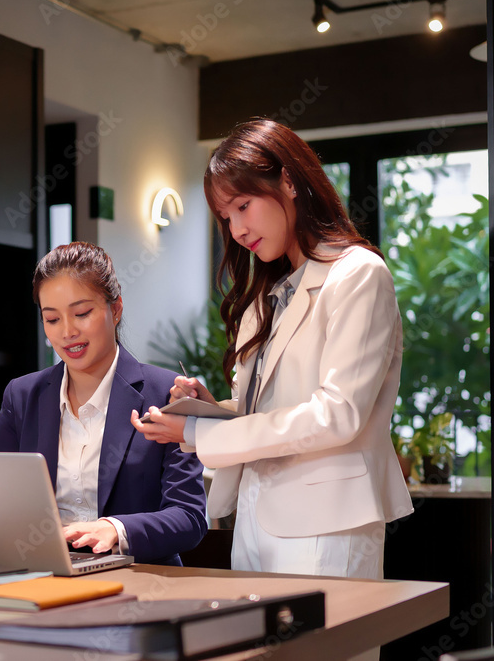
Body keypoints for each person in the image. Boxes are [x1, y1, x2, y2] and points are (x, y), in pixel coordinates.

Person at [136, 119, 413, 579]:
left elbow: (337, 413)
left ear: (288, 180)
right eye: (227, 217)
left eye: (243, 206)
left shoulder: (359, 274)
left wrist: (201, 435)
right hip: (253, 519)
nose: (238, 229)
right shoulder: (267, 298)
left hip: (328, 525)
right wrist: (209, 411)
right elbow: (265, 414)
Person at [0, 242, 207, 565]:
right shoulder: (22, 396)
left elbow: (189, 517)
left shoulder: (166, 394)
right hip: (42, 576)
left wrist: (116, 529)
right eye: (52, 319)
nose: (67, 332)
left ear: (115, 309)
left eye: (82, 314)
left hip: (139, 582)